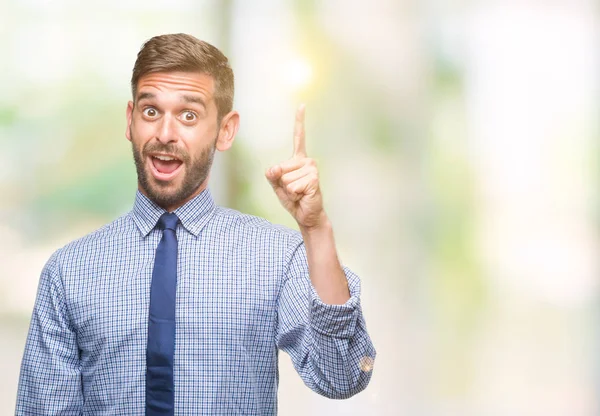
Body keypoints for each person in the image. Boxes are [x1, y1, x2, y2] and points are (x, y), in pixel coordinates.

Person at [15, 33, 376, 415]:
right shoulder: (68, 271)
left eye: (189, 115)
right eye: (151, 111)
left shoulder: (277, 257)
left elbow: (344, 375)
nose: (166, 134)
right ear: (130, 119)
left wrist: (317, 230)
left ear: (225, 130)